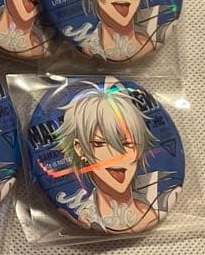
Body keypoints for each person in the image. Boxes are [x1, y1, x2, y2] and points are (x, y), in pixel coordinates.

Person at [53, 83, 159, 233]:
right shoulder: (84, 215)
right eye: (100, 144)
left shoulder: (157, 203)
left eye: (127, 143)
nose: (116, 157)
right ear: (80, 149)